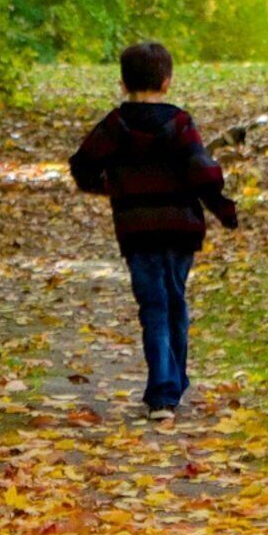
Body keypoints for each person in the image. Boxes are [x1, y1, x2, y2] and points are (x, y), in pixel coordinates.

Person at [67, 40, 242, 419]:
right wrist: (222, 208)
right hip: (180, 228)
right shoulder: (180, 124)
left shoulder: (114, 126)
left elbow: (82, 166)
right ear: (167, 82)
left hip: (137, 229)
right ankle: (172, 384)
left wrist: (109, 186)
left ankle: (164, 390)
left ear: (122, 83)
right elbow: (202, 173)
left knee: (154, 304)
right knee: (174, 299)